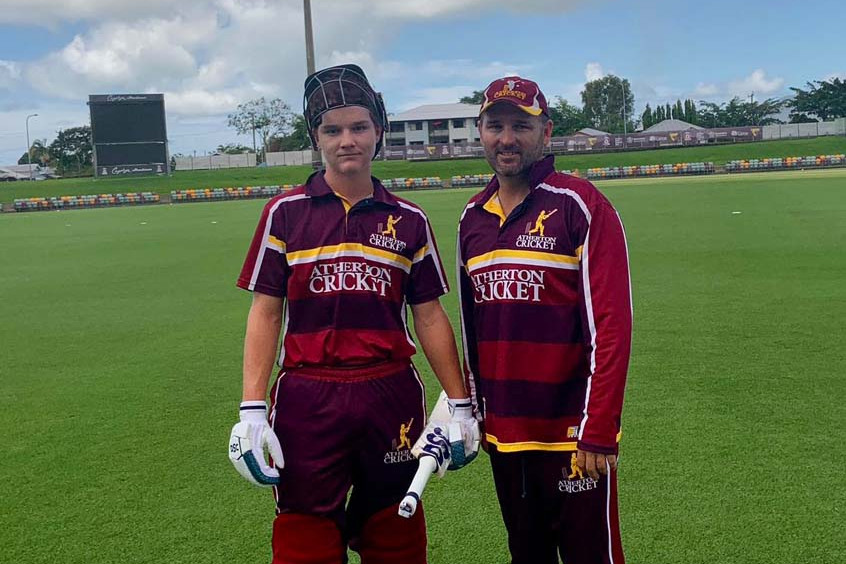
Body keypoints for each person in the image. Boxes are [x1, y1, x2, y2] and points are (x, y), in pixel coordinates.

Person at [227, 64, 478, 564]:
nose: (347, 141)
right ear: (315, 137)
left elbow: (428, 316)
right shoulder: (285, 213)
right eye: (332, 129)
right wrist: (252, 409)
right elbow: (266, 312)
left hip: (389, 392)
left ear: (378, 132)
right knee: (304, 528)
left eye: (359, 127)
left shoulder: (408, 220)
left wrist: (461, 401)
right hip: (307, 395)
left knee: (394, 529)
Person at [456, 75, 633, 564]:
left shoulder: (580, 205)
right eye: (495, 125)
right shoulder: (472, 218)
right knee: (526, 555)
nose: (507, 138)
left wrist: (598, 428)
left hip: (573, 436)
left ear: (546, 132)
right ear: (481, 131)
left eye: (521, 125)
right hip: (505, 435)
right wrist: (470, 409)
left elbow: (611, 327)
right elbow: (473, 329)